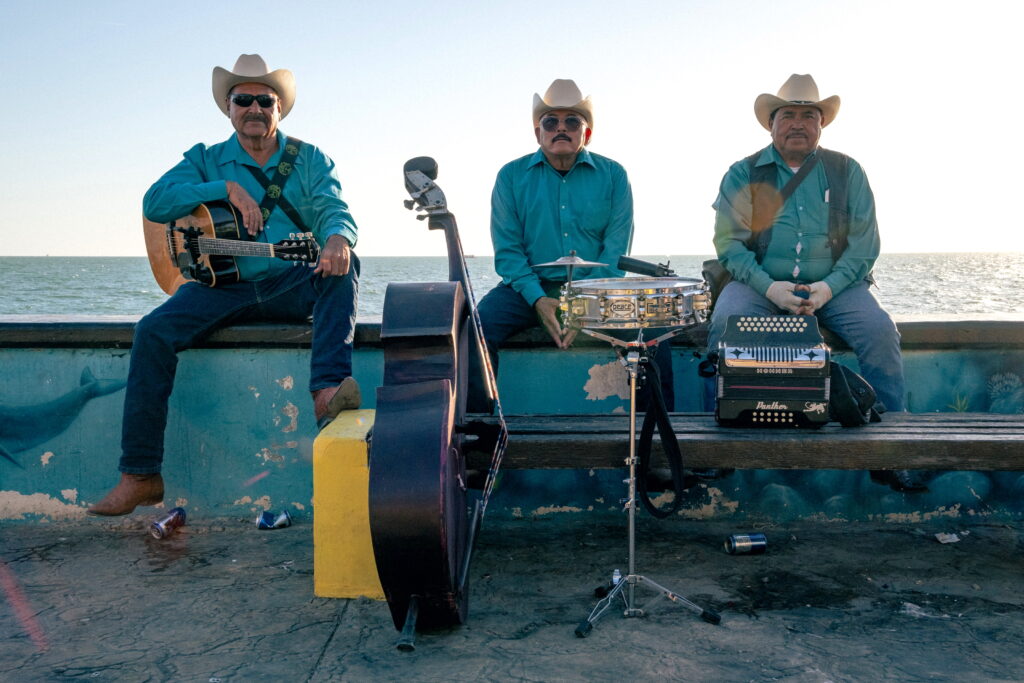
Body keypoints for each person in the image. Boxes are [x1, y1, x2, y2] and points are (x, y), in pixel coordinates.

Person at [88, 54, 361, 515]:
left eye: (264, 100)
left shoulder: (311, 159)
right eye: (243, 99)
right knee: (151, 332)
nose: (254, 107)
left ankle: (327, 391)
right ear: (228, 108)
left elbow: (335, 208)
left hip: (283, 284)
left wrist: (337, 239)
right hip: (218, 288)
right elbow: (156, 202)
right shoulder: (205, 159)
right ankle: (140, 475)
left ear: (279, 109)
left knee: (345, 268)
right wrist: (221, 190)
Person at [706, 74, 920, 491]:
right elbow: (728, 245)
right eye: (788, 115)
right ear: (771, 123)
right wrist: (770, 288)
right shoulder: (742, 172)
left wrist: (828, 288)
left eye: (809, 115)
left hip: (836, 287)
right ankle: (717, 450)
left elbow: (864, 246)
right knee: (723, 327)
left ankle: (892, 451)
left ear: (822, 123)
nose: (798, 124)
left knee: (880, 333)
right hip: (759, 284)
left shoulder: (848, 170)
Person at [468, 79, 674, 413]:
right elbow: (508, 250)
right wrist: (538, 299)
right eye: (551, 122)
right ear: (539, 133)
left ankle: (659, 447)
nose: (560, 128)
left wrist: (582, 304)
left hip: (598, 291)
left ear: (586, 133)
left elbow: (616, 248)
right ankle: (477, 441)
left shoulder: (614, 175)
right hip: (527, 290)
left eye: (572, 122)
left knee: (653, 332)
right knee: (476, 331)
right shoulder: (510, 176)